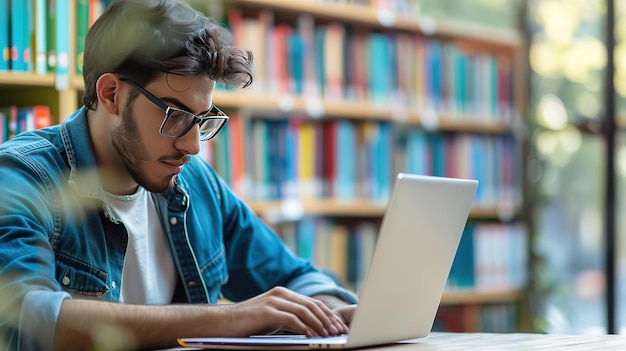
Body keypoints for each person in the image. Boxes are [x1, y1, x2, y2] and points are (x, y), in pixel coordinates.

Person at [0, 0, 358, 350]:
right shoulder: (22, 177)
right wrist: (231, 319)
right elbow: (32, 320)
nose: (193, 146)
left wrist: (331, 312)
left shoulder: (196, 182)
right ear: (111, 94)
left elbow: (296, 278)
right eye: (175, 115)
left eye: (202, 120)